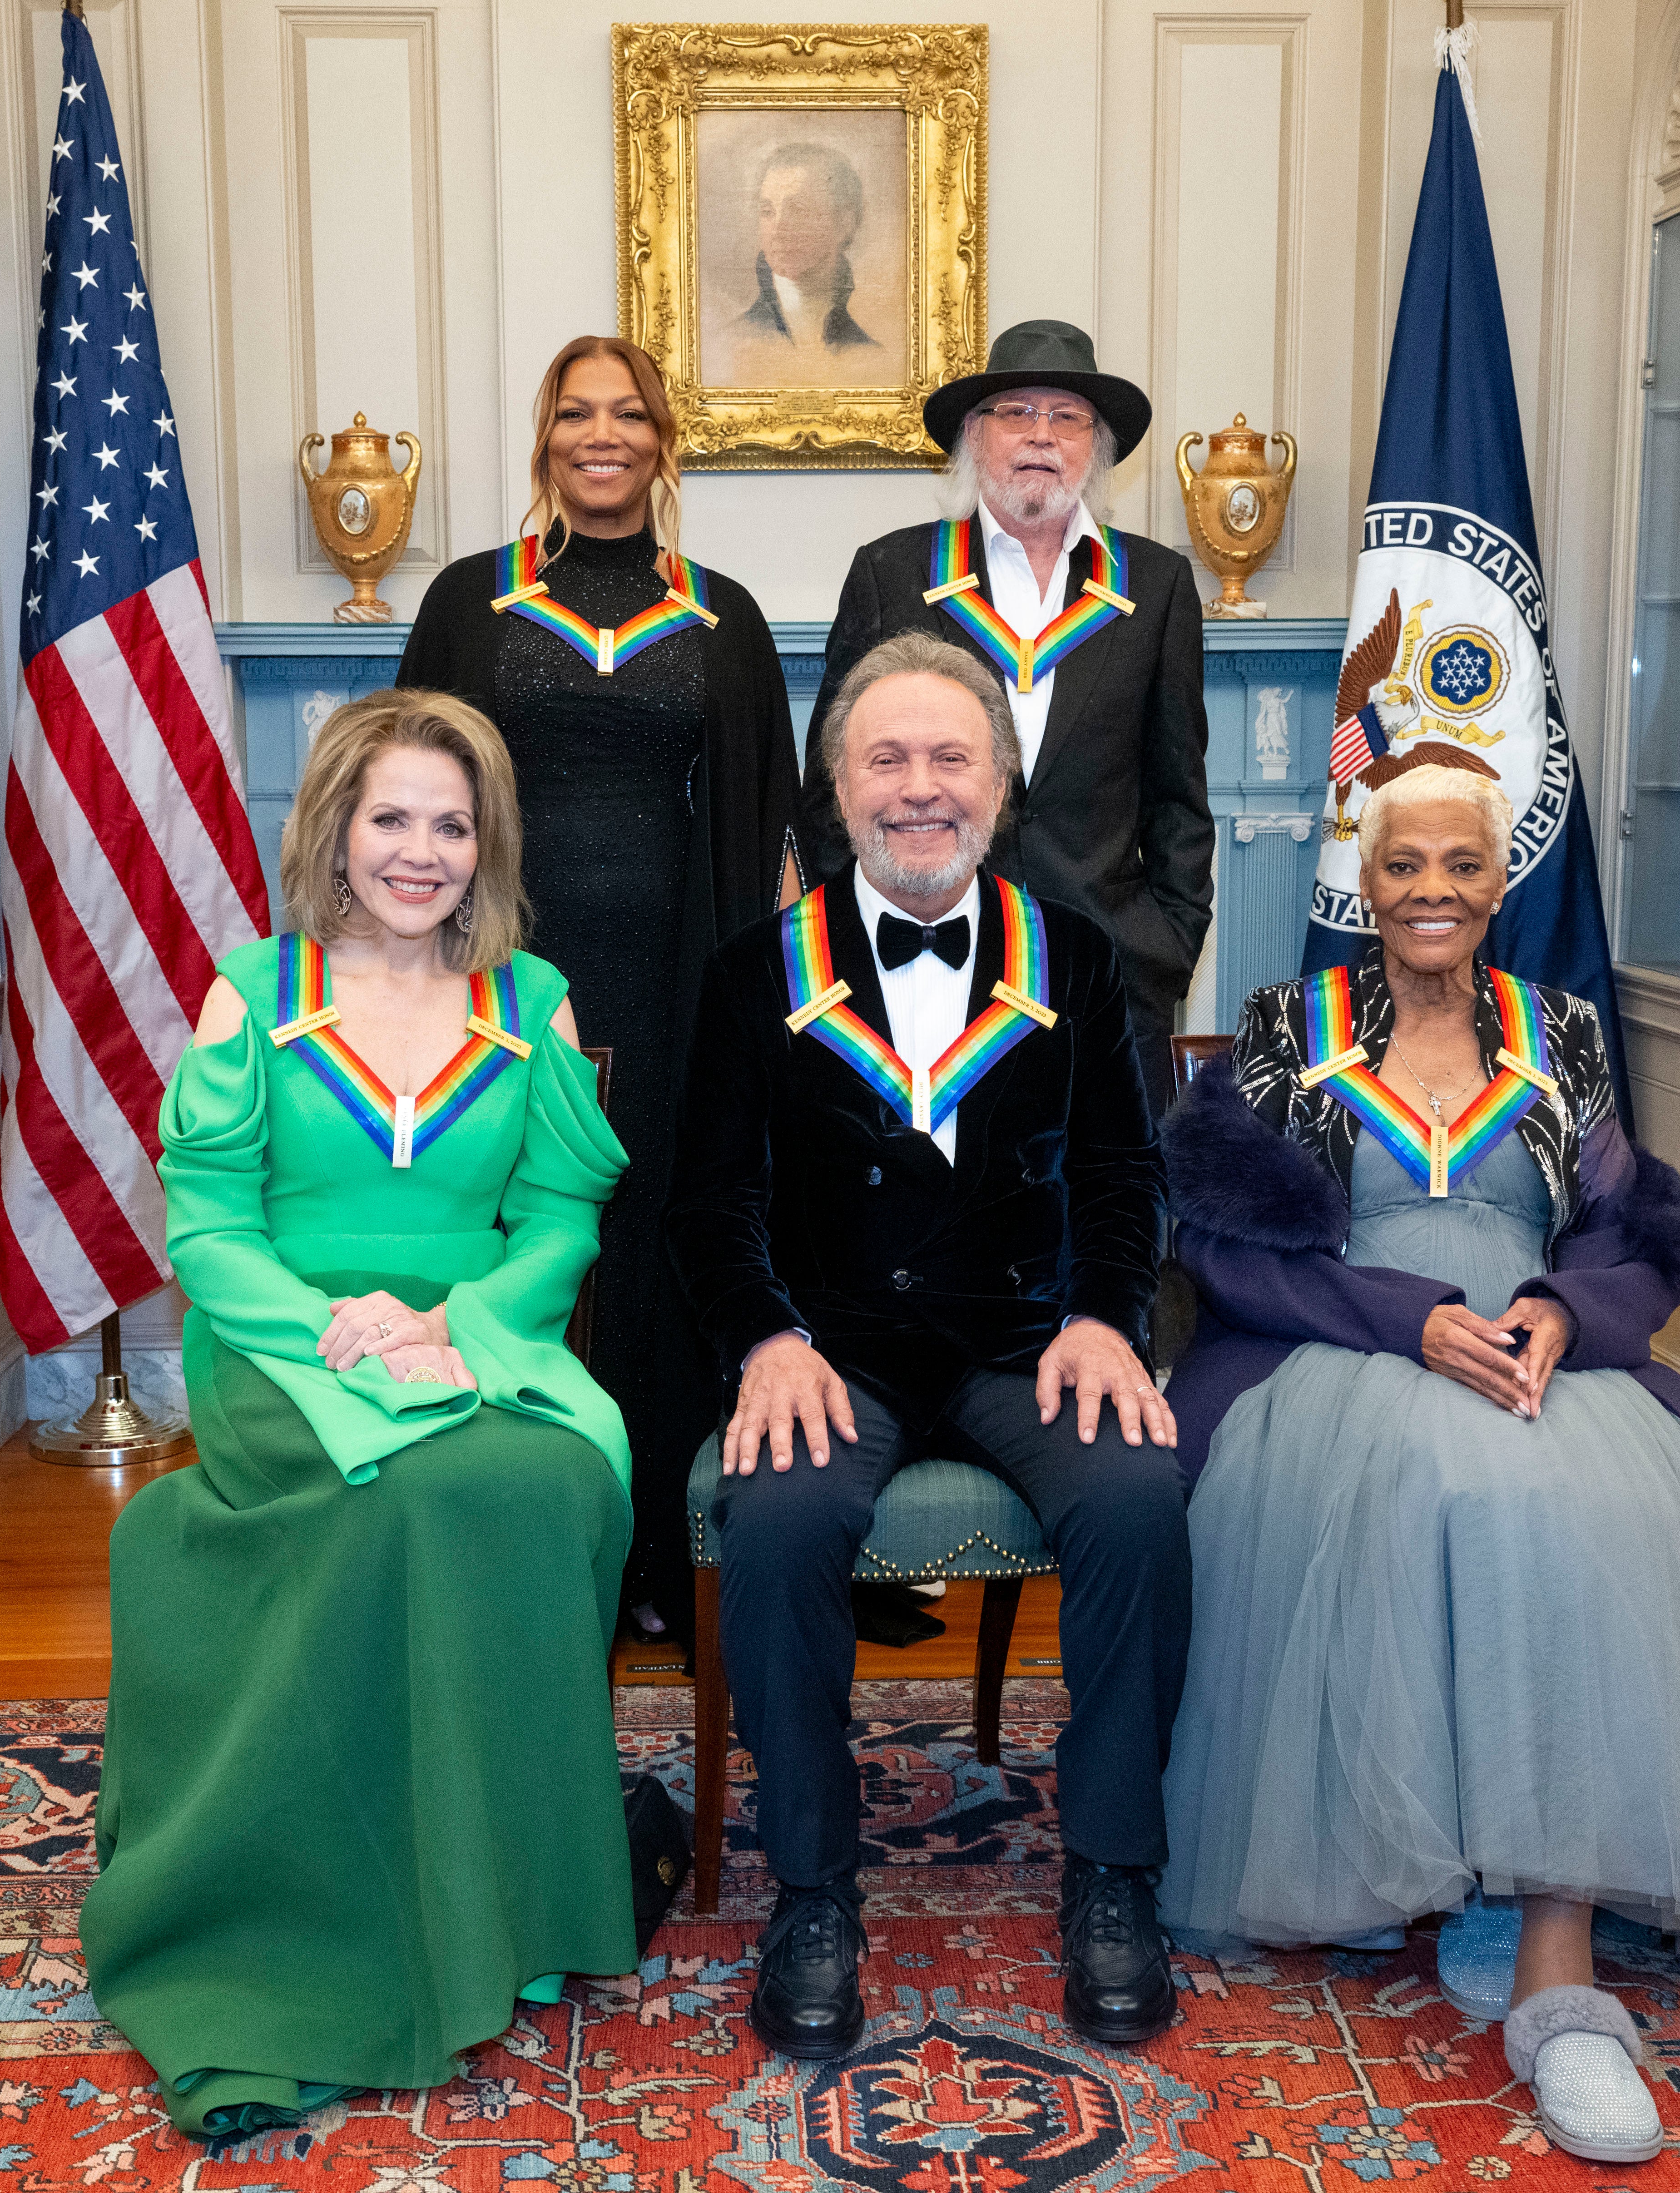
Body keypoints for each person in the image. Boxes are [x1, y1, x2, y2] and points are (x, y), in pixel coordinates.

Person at [1153, 758, 1680, 2167]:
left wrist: (1556, 1313)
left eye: (1458, 866)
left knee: (1620, 1505)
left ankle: (1555, 1950)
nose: (1429, 890)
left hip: (1532, 1350)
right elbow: (1222, 1248)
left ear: (1498, 883)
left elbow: (1627, 1236)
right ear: (1365, 882)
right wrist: (1405, 1320)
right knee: (1455, 1490)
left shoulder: (1565, 1034)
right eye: (1402, 864)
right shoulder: (1278, 1027)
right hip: (1334, 1345)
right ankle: (1402, 1844)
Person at [82, 690, 637, 2139]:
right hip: (284, 1344)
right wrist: (334, 1331)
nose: (420, 850)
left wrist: (457, 1325)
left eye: (451, 824)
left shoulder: (536, 999)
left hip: (484, 1337)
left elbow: (562, 1212)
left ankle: (503, 1889)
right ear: (333, 827)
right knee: (404, 1495)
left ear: (486, 845)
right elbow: (205, 1227)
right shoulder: (252, 992)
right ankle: (348, 1894)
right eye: (390, 816)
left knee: (551, 1482)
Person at [667, 629, 1192, 2060]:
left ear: (998, 785)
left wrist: (1102, 1315)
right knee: (770, 1519)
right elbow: (706, 1202)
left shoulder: (1072, 961)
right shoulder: (749, 972)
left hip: (1026, 1340)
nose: (917, 787)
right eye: (884, 757)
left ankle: (1111, 1870)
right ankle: (814, 1890)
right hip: (827, 1350)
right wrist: (763, 1338)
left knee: (1141, 1499)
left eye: (947, 756)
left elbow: (1121, 1174)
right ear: (836, 789)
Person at [400, 335, 798, 1646]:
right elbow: (407, 799)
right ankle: (528, 1549)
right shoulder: (474, 600)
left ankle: (659, 1556)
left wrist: (763, 1017)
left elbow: (765, 822)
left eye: (628, 413)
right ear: (544, 439)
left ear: (663, 439)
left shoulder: (718, 612)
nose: (602, 434)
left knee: (654, 1243)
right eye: (576, 413)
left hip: (679, 984)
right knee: (530, 1241)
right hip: (507, 978)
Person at [804, 319, 1214, 1109]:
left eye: (1066, 418)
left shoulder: (1156, 586)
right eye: (1015, 413)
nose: (1040, 435)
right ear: (971, 436)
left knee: (1099, 1210)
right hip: (922, 961)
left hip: (1107, 968)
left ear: (1095, 448)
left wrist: (1163, 944)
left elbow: (1179, 800)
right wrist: (860, 940)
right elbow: (832, 787)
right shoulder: (892, 572)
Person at [735, 141, 879, 354]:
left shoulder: (869, 353)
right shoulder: (733, 341)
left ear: (844, 223)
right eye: (767, 212)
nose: (778, 230)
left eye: (797, 211)